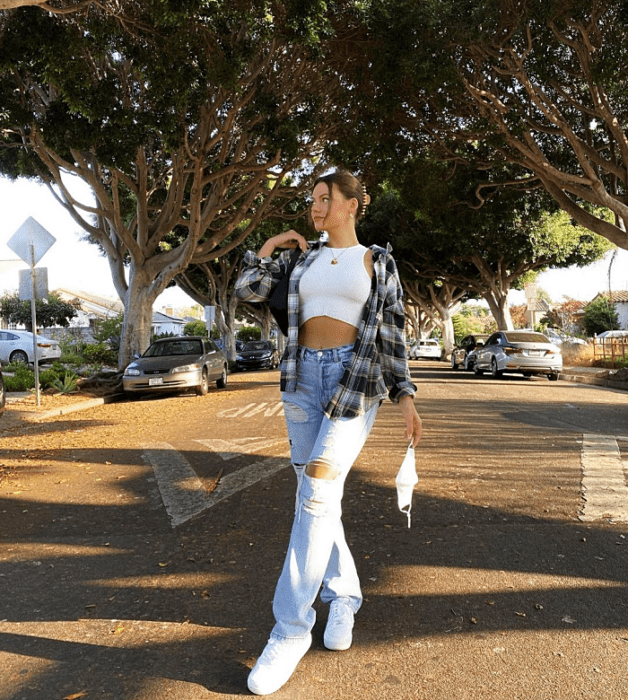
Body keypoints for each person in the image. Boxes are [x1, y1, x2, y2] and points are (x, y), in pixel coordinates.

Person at [235, 169, 422, 695]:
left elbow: (392, 331)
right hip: (300, 382)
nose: (315, 207)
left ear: (352, 205)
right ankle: (343, 596)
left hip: (353, 381)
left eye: (325, 198)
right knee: (317, 498)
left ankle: (290, 629)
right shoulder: (301, 259)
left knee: (316, 491)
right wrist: (269, 246)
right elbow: (248, 288)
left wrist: (405, 397)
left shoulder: (377, 262)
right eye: (312, 199)